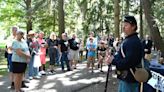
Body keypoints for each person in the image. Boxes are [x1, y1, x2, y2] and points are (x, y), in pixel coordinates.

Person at [107, 15, 143, 92]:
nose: (123, 27)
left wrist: (113, 61)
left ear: (133, 26)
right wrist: (113, 58)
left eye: (126, 25)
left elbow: (128, 62)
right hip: (125, 79)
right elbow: (122, 56)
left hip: (129, 80)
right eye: (123, 25)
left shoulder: (133, 42)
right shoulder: (129, 40)